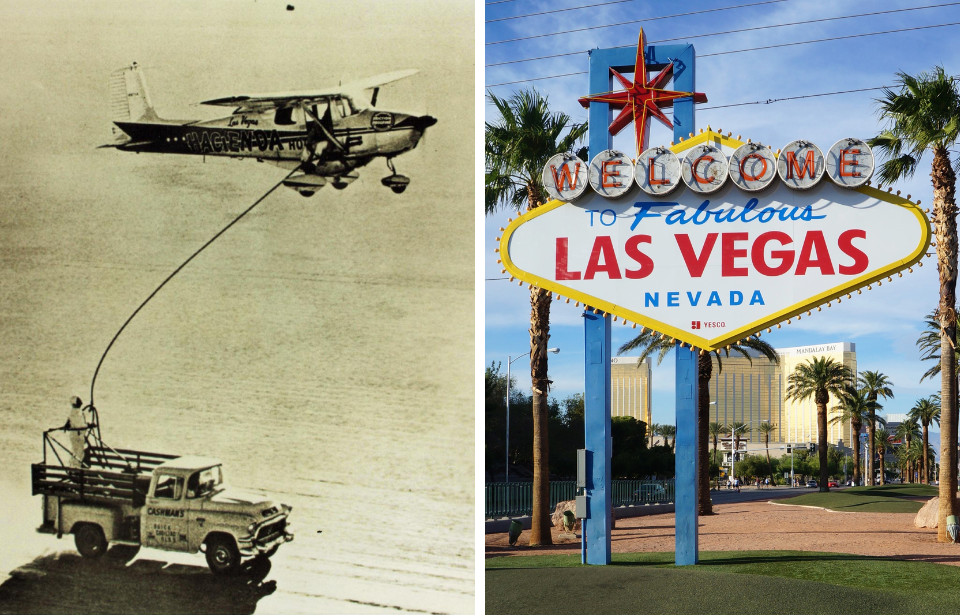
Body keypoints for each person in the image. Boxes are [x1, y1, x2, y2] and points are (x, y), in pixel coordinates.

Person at [64, 396, 86, 467]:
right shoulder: (77, 412)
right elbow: (79, 425)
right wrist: (87, 425)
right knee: (78, 452)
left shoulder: (73, 412)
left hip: (74, 435)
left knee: (75, 450)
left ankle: (73, 466)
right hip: (77, 435)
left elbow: (69, 421)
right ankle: (76, 468)